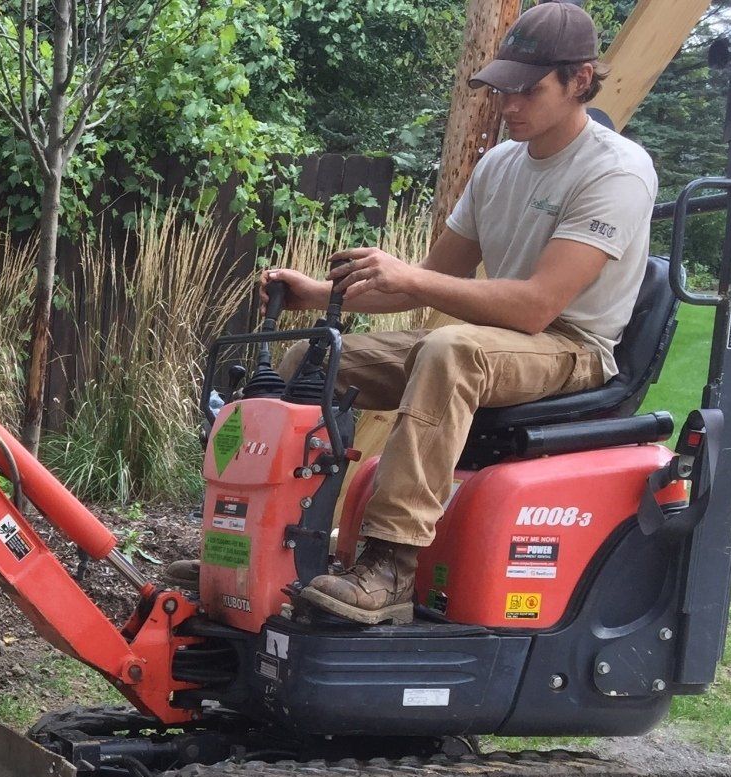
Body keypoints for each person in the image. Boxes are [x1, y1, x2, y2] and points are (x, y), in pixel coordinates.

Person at [223, 1, 658, 624]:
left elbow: (538, 306)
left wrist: (415, 280)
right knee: (315, 357)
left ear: (580, 80)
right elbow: (421, 283)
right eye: (501, 88)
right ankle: (274, 547)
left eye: (525, 91)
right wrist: (319, 295)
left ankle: (390, 565)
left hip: (572, 348)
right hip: (497, 339)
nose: (506, 105)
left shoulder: (616, 170)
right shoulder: (499, 165)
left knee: (450, 350)